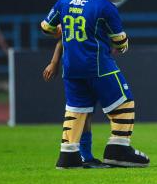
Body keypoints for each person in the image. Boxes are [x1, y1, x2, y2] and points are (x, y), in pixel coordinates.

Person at [40, 0, 149, 169]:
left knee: (77, 111)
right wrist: (123, 46)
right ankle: (118, 149)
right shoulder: (104, 6)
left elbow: (47, 28)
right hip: (98, 65)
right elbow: (119, 41)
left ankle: (69, 155)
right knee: (123, 103)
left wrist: (61, 34)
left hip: (71, 68)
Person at [43, 39, 108, 168]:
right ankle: (83, 156)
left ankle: (86, 156)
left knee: (87, 113)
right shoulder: (82, 18)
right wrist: (54, 62)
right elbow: (61, 40)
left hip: (92, 68)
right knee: (81, 112)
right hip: (80, 70)